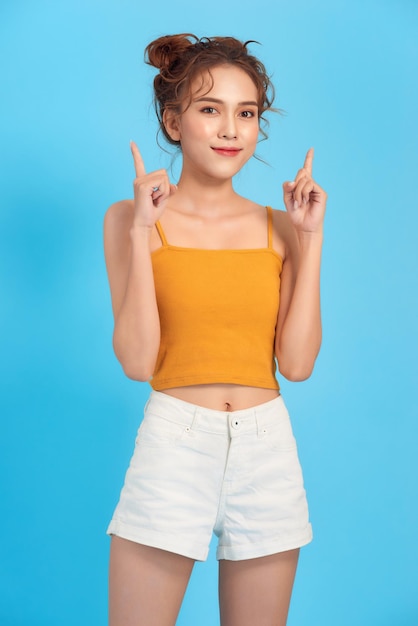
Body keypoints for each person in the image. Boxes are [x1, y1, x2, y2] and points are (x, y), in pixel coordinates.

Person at [104, 33, 327, 626]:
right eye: (210, 110)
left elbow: (298, 365)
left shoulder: (283, 227)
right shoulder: (130, 217)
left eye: (246, 113)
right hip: (176, 442)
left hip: (266, 447)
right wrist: (141, 232)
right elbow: (137, 361)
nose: (231, 129)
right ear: (175, 123)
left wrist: (311, 239)